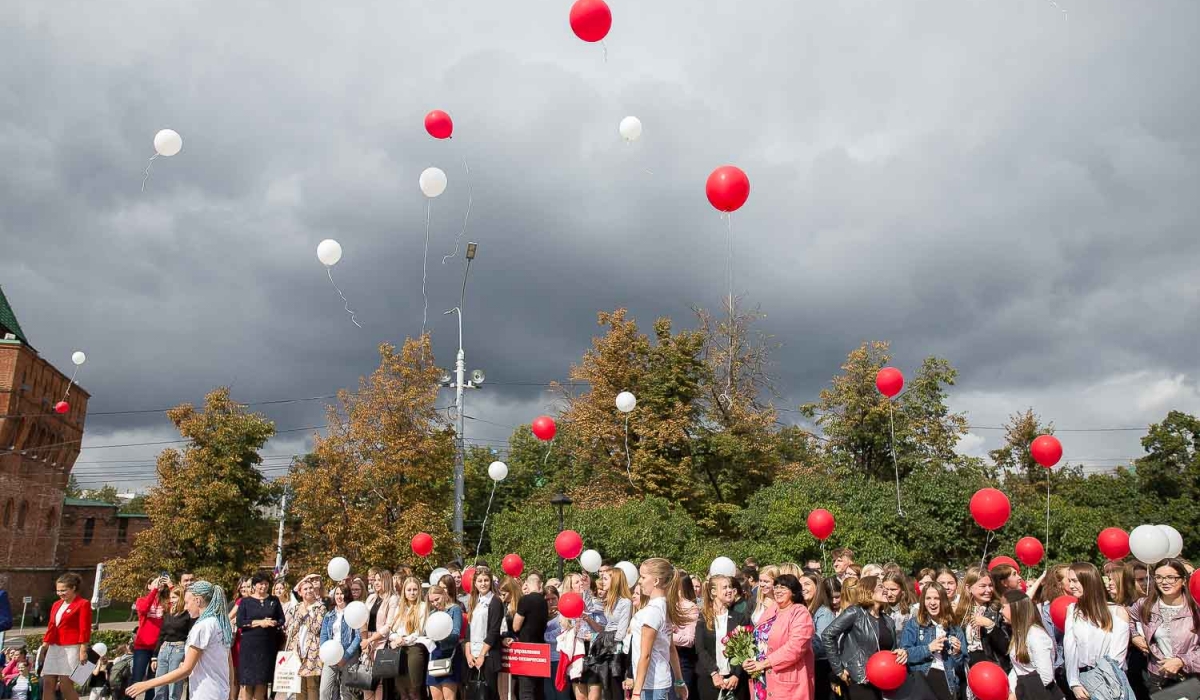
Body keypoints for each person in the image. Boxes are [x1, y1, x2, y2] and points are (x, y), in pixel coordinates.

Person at [125, 581, 235, 700]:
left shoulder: (202, 627)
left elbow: (186, 670)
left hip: (205, 693)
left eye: (187, 603)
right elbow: (229, 664)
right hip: (220, 692)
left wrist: (146, 684)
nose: (186, 607)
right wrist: (231, 694)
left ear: (197, 601)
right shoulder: (220, 624)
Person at [822, 576, 905, 700]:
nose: (886, 590)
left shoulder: (888, 621)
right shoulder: (855, 613)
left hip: (884, 681)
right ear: (869, 590)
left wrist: (901, 653)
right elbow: (827, 635)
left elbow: (891, 650)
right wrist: (838, 669)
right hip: (860, 680)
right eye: (881, 586)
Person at [1129, 558, 1200, 695]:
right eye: (1159, 577)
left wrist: (1182, 661)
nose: (1164, 582)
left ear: (1184, 580)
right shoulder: (1145, 605)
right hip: (1158, 680)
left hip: (1193, 680)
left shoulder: (1195, 609)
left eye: (1171, 577)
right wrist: (1135, 636)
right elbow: (1126, 618)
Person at [1063, 563, 1131, 700]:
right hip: (1084, 680)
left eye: (1075, 581)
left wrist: (1099, 684)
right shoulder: (1072, 610)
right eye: (1069, 581)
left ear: (1088, 581)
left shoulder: (1116, 612)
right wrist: (1074, 683)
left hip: (1112, 681)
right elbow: (1070, 648)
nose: (1071, 586)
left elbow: (1117, 656)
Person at [743, 574, 814, 700]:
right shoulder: (772, 610)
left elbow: (796, 648)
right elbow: (757, 638)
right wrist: (749, 660)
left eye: (783, 587)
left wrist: (764, 663)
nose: (778, 590)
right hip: (761, 678)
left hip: (785, 680)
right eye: (776, 587)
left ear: (793, 592)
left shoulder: (799, 612)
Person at [628, 558, 688, 700]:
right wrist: (679, 680)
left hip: (650, 685)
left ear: (655, 581)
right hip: (656, 683)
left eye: (643, 577)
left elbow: (646, 655)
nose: (640, 581)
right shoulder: (663, 606)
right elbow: (671, 648)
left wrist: (636, 692)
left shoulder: (653, 611)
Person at [899, 582, 966, 700]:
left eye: (937, 598)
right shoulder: (914, 624)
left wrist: (957, 653)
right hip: (921, 680)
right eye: (928, 598)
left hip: (947, 682)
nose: (933, 603)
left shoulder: (955, 629)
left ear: (944, 601)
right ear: (923, 602)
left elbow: (960, 669)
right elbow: (904, 656)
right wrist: (928, 648)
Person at [695, 575, 750, 700]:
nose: (730, 590)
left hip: (734, 681)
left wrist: (736, 674)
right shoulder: (703, 618)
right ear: (714, 592)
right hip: (709, 679)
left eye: (730, 587)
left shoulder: (739, 618)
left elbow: (744, 649)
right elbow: (700, 648)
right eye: (725, 587)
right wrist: (714, 673)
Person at [1002, 590, 1061, 700]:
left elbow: (1046, 676)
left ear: (1015, 608)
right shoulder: (1019, 634)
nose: (1001, 611)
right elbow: (1018, 669)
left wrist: (1019, 692)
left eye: (1003, 607)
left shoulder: (1036, 635)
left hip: (1040, 694)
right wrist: (1010, 690)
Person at [43, 572, 93, 700]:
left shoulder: (83, 604)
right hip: (54, 647)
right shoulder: (56, 604)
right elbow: (51, 626)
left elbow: (84, 628)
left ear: (73, 588)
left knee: (66, 685)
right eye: (58, 590)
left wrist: (83, 650)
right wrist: (45, 644)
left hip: (72, 647)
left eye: (63, 590)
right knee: (48, 683)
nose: (60, 593)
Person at [234, 572, 284, 700]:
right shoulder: (245, 602)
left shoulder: (274, 600)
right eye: (261, 584)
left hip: (267, 646)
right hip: (249, 647)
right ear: (255, 586)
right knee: (248, 682)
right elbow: (240, 622)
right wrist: (259, 623)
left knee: (262, 681)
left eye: (266, 584)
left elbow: (281, 619)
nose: (264, 586)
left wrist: (273, 622)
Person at [466, 567, 505, 700]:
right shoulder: (474, 601)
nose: (483, 583)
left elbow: (494, 631)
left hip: (488, 656)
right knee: (474, 693)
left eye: (486, 580)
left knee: (489, 694)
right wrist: (468, 653)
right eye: (480, 581)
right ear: (475, 583)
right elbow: (469, 630)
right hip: (473, 656)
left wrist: (482, 655)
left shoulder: (495, 601)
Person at [151, 585, 195, 700]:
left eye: (174, 597)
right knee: (159, 686)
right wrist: (155, 656)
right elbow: (162, 634)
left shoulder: (187, 615)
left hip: (178, 650)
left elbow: (191, 636)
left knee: (174, 688)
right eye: (171, 597)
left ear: (181, 598)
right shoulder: (168, 614)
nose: (171, 600)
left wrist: (186, 657)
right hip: (164, 649)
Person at [319, 584, 362, 700]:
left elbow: (358, 636)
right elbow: (323, 635)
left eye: (342, 593)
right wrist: (324, 652)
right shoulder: (329, 615)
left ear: (347, 595)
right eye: (337, 593)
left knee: (346, 692)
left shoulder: (353, 612)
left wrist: (346, 656)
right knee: (324, 691)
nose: (339, 596)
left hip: (349, 656)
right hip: (331, 656)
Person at [285, 579, 326, 700]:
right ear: (300, 593)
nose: (308, 591)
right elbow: (291, 629)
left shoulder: (320, 607)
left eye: (310, 588)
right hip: (297, 651)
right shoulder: (297, 607)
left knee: (312, 686)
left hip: (312, 651)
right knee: (299, 687)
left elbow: (316, 628)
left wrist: (306, 614)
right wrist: (301, 614)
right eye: (305, 589)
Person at [390, 576, 428, 700]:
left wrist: (404, 640)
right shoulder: (400, 608)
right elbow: (392, 630)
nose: (412, 593)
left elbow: (419, 632)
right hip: (399, 650)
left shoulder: (422, 606)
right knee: (402, 692)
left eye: (415, 590)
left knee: (414, 690)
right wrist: (396, 638)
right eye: (409, 590)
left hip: (414, 648)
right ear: (404, 592)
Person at [514, 573, 550, 700]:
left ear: (527, 585)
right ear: (540, 585)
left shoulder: (525, 600)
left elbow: (516, 626)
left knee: (526, 690)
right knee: (539, 690)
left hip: (527, 650)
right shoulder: (544, 602)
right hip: (541, 650)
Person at [426, 582, 464, 700]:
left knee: (449, 697)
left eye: (437, 599)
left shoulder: (455, 609)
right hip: (435, 655)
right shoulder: (432, 614)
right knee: (436, 697)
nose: (435, 603)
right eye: (432, 601)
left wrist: (441, 636)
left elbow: (456, 634)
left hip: (450, 654)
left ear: (444, 594)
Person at [134, 576, 172, 689]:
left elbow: (179, 605)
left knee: (154, 682)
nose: (158, 584)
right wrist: (154, 590)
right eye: (155, 582)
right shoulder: (141, 600)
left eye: (160, 582)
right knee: (136, 678)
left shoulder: (166, 602)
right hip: (143, 646)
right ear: (149, 585)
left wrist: (171, 586)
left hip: (159, 647)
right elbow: (144, 609)